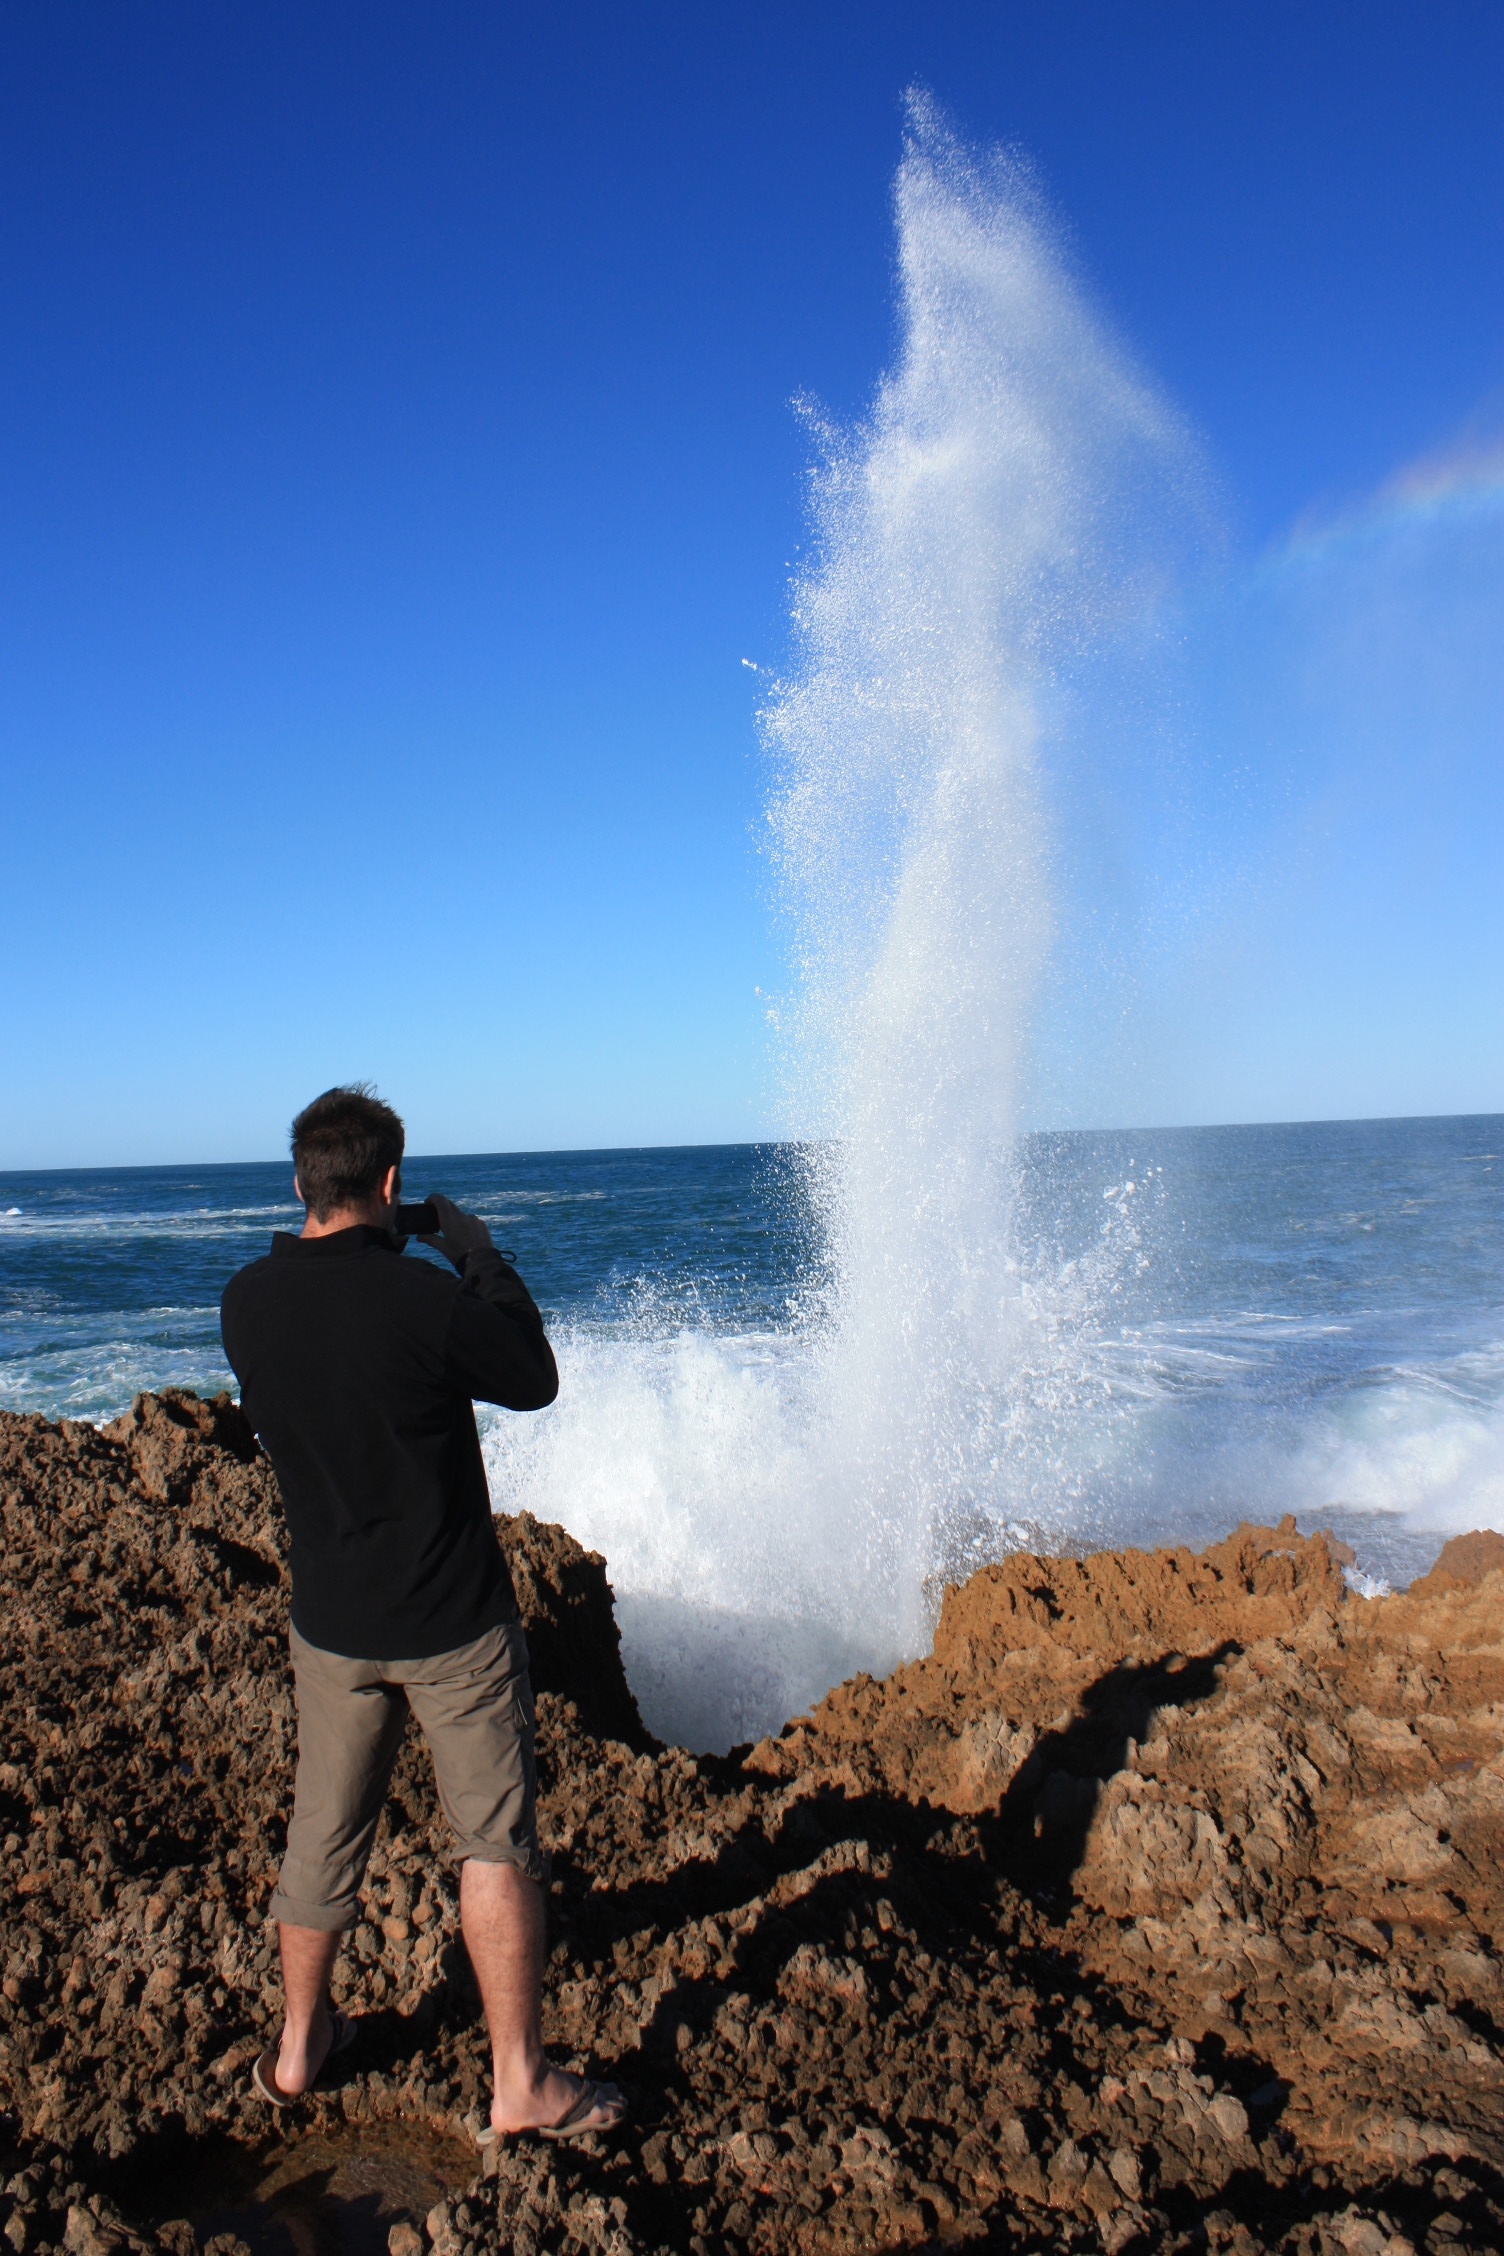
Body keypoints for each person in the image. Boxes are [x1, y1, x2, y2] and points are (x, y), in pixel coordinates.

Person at [220, 1083, 624, 2142]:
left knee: (323, 1835)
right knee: (493, 1841)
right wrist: (474, 1253)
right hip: (453, 1625)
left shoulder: (244, 1303)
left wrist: (378, 1239)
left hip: (331, 1625)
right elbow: (531, 1375)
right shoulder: (424, 1300)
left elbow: (323, 1328)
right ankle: (519, 2083)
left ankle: (298, 2048)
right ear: (392, 1180)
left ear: (300, 1183)